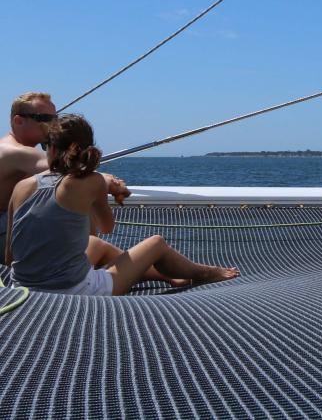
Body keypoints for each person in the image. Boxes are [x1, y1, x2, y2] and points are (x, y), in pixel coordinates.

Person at [4, 113, 238, 295]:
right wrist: (102, 192)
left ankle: (167, 275)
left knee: (95, 244)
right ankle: (205, 272)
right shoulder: (91, 182)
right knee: (156, 244)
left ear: (51, 149)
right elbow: (107, 227)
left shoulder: (23, 186)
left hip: (23, 288)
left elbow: (10, 255)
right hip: (73, 290)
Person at [1, 91, 133, 267]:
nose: (54, 125)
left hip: (11, 230)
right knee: (80, 193)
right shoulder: (13, 152)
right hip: (4, 232)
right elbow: (74, 167)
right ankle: (85, 267)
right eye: (46, 118)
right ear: (18, 121)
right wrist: (112, 183)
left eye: (55, 118)